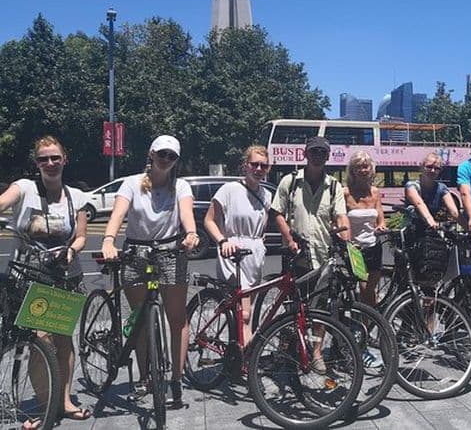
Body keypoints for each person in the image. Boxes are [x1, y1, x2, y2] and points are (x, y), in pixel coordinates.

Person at [101, 135, 199, 407]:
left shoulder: (181, 186)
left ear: (176, 160)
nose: (166, 160)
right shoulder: (131, 184)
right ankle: (145, 377)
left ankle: (176, 380)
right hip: (136, 253)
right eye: (162, 154)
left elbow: (187, 215)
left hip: (170, 252)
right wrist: (109, 240)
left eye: (172, 156)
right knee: (141, 319)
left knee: (177, 319)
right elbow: (118, 215)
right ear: (151, 154)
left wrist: (191, 234)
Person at [0, 136, 91, 423]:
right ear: (36, 163)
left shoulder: (75, 195)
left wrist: (71, 249)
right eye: (43, 159)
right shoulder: (25, 188)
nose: (50, 164)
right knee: (40, 339)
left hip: (65, 277)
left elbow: (82, 237)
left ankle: (63, 401)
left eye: (55, 158)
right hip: (29, 278)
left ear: (65, 159)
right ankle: (44, 404)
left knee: (64, 340)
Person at [270, 136, 350, 371]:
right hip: (296, 256)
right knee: (293, 307)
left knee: (320, 309)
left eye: (322, 153)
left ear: (327, 156)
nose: (317, 156)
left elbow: (340, 216)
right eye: (313, 152)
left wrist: (345, 235)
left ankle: (316, 353)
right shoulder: (290, 181)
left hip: (323, 256)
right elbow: (277, 212)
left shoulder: (334, 185)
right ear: (305, 154)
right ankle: (290, 350)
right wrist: (289, 237)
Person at [204, 145, 272, 345]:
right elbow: (209, 220)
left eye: (264, 166)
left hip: (255, 253)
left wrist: (261, 243)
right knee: (244, 313)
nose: (258, 169)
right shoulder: (229, 190)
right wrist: (223, 241)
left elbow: (263, 226)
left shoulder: (266, 195)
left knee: (244, 310)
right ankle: (246, 360)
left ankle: (238, 351)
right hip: (233, 250)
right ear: (245, 166)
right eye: (254, 164)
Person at [343, 151, 386, 306]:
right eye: (358, 167)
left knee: (371, 290)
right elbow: (339, 218)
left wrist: (381, 226)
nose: (362, 170)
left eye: (365, 167)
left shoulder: (375, 192)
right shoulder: (345, 193)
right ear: (352, 170)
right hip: (354, 247)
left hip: (374, 246)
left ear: (371, 169)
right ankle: (364, 321)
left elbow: (381, 220)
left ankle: (369, 324)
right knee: (364, 287)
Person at [404, 153, 460, 229]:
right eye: (429, 167)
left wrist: (468, 228)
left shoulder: (442, 188)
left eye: (437, 168)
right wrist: (430, 220)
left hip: (432, 231)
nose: (433, 170)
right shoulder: (411, 186)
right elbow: (419, 203)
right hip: (411, 230)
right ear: (421, 167)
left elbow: (454, 212)